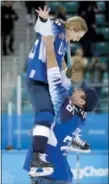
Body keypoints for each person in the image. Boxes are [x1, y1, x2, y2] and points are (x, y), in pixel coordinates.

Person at [23, 36, 98, 184]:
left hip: (50, 175)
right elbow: (65, 75)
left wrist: (51, 45)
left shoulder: (63, 105)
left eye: (80, 91)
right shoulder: (79, 117)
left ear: (81, 101)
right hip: (57, 174)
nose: (76, 90)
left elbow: (55, 75)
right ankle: (76, 142)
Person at [25, 6, 88, 177]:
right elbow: (43, 29)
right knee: (45, 115)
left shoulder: (64, 40)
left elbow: (58, 59)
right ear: (74, 29)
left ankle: (71, 136)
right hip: (37, 79)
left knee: (68, 108)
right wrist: (44, 19)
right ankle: (37, 157)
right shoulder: (57, 27)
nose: (77, 40)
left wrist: (66, 69)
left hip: (48, 81)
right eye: (78, 36)